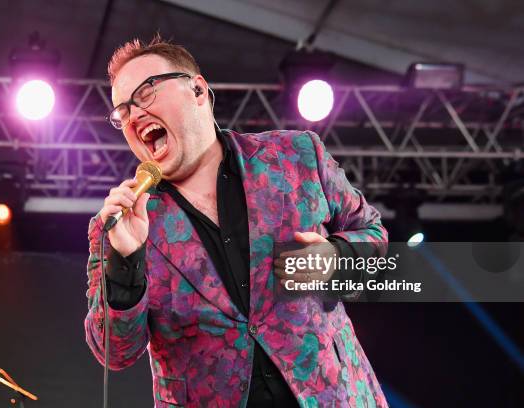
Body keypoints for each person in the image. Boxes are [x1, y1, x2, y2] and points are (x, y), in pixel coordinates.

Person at [85, 36, 389, 407]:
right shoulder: (119, 226)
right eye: (122, 111)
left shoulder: (296, 156)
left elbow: (373, 236)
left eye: (146, 93)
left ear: (197, 89)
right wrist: (127, 261)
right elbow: (115, 352)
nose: (133, 116)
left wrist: (336, 256)